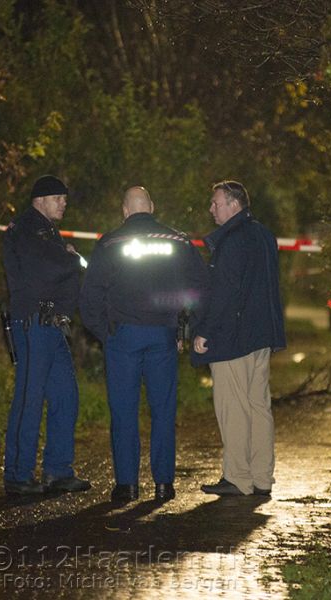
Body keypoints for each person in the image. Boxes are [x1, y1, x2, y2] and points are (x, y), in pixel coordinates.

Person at [80, 186, 208, 503]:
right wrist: (184, 327)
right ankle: (164, 484)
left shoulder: (110, 242)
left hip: (123, 336)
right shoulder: (177, 241)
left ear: (125, 210)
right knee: (163, 411)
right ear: (151, 206)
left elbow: (90, 295)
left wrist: (104, 332)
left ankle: (128, 485)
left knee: (124, 411)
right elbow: (200, 286)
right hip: (162, 335)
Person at [191, 180, 286, 497]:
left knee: (233, 407)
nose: (211, 209)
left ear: (234, 205)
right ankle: (261, 478)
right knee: (259, 406)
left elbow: (225, 293)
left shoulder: (232, 241)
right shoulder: (263, 235)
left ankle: (238, 477)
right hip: (261, 336)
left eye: (215, 202)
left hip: (233, 337)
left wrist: (204, 330)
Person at [1, 174, 91, 496]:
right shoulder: (26, 229)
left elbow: (59, 268)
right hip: (34, 323)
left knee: (65, 395)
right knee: (30, 398)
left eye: (65, 199)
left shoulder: (47, 231)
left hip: (53, 324)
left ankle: (58, 470)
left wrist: (65, 256)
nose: (64, 203)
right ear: (40, 200)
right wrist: (69, 257)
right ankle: (18, 475)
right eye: (58, 198)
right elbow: (48, 270)